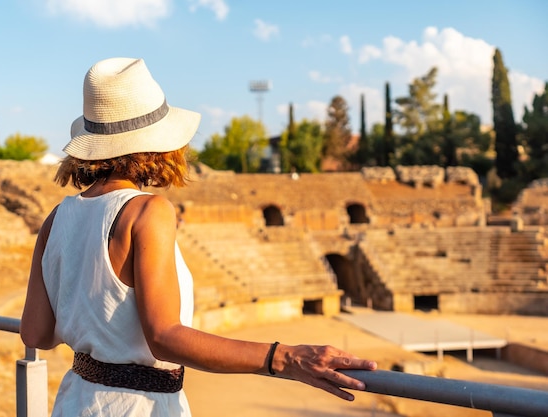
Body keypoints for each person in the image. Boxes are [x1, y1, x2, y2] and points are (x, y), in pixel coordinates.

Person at [19, 57, 377, 416]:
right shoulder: (147, 211)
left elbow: (35, 334)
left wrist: (94, 329)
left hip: (75, 402)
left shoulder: (56, 218)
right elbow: (164, 337)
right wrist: (283, 357)